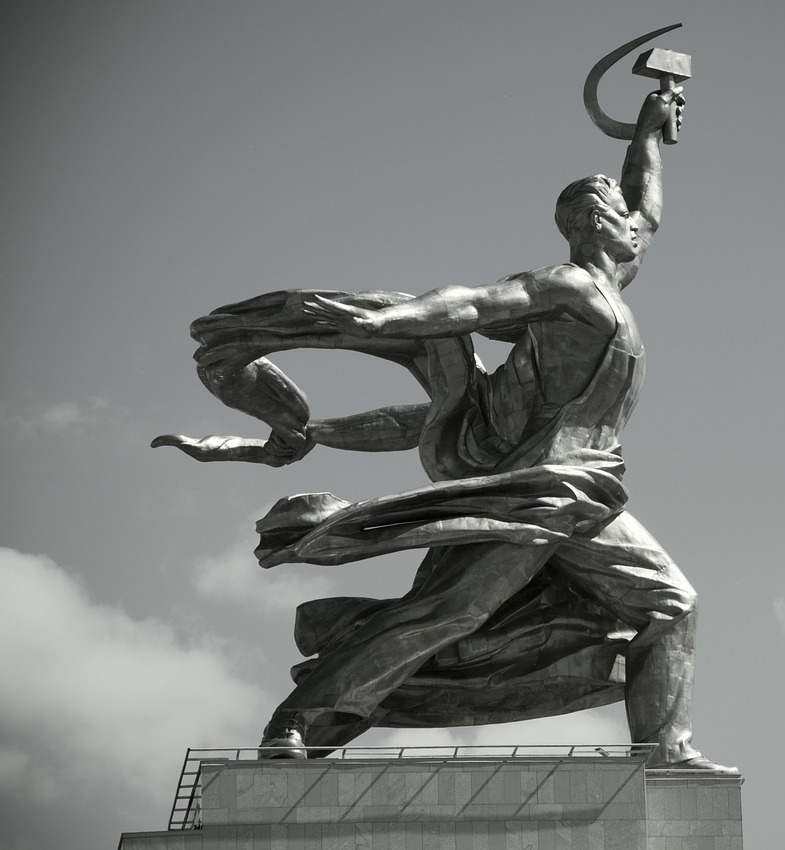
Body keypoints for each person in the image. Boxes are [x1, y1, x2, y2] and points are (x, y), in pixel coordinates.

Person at [155, 87, 734, 773]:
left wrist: (649, 128)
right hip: (538, 493)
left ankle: (666, 754)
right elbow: (474, 301)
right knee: (450, 612)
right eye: (617, 217)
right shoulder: (567, 289)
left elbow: (648, 206)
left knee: (672, 603)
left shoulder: (613, 278)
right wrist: (383, 323)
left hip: (589, 495)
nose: (634, 226)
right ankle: (301, 720)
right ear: (594, 227)